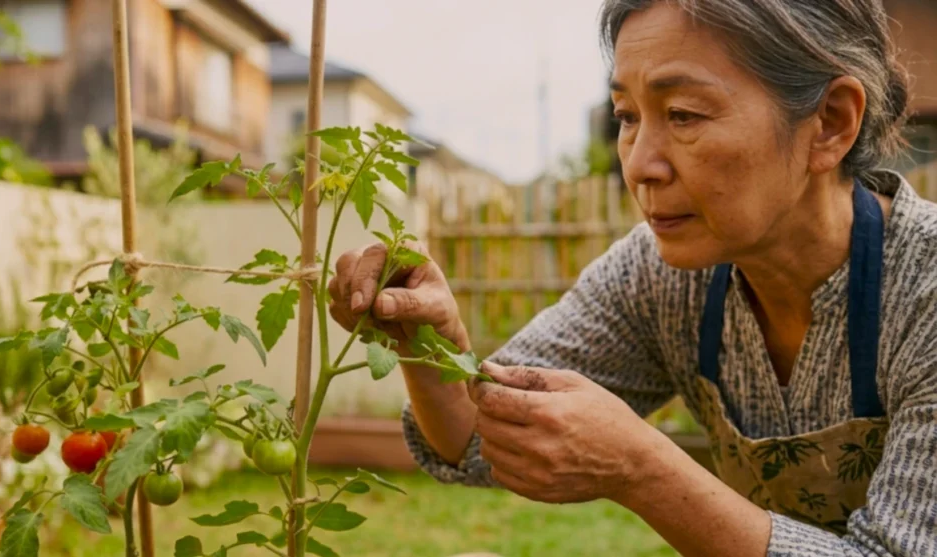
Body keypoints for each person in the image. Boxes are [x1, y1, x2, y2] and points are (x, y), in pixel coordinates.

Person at [327, 1, 937, 555]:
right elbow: (481, 441)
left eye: (683, 113)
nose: (640, 164)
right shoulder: (663, 277)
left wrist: (643, 469)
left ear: (830, 122)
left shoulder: (925, 289)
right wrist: (431, 344)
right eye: (626, 116)